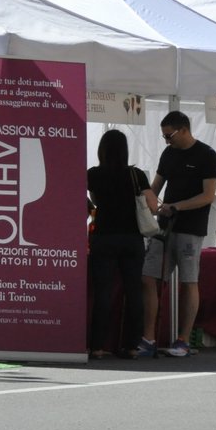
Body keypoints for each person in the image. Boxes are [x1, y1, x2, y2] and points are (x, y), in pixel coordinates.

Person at [138, 111, 216, 358]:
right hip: (164, 226)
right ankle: (148, 337)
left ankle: (183, 338)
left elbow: (208, 195)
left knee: (188, 281)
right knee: (149, 277)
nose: (166, 140)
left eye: (169, 135)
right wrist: (146, 203)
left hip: (191, 228)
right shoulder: (169, 153)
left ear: (184, 129)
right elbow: (155, 186)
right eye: (163, 136)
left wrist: (177, 206)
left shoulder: (207, 155)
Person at [86, 130, 158, 359]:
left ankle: (97, 346)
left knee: (103, 293)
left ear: (102, 150)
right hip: (132, 238)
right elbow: (153, 205)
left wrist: (93, 207)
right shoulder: (136, 174)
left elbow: (85, 199)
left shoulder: (93, 174)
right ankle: (131, 346)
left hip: (104, 237)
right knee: (133, 292)